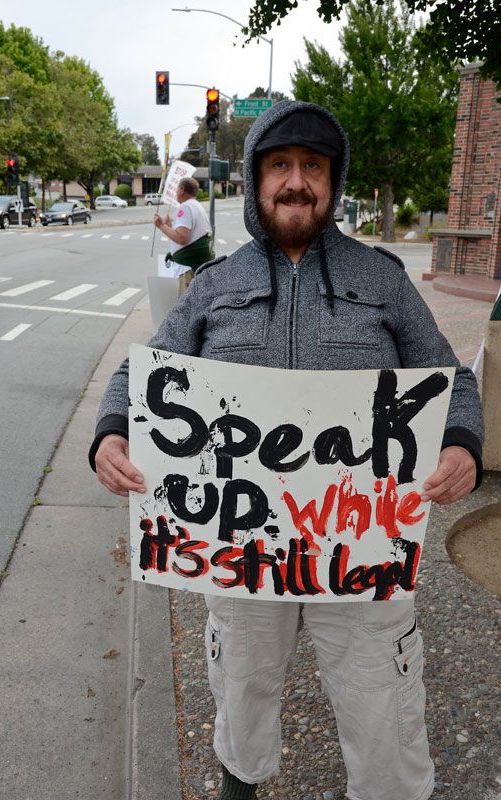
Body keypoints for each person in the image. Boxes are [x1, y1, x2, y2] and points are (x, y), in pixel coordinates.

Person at [89, 101, 484, 800]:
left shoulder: (386, 281)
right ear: (255, 178)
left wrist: (460, 444)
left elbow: (451, 381)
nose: (296, 181)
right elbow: (138, 374)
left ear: (333, 182)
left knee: (384, 711)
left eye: (313, 166)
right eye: (280, 165)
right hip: (241, 554)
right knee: (240, 697)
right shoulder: (213, 285)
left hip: (361, 549)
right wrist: (113, 430)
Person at [153, 176, 213, 296]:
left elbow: (181, 238)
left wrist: (160, 225)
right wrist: (170, 227)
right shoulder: (196, 206)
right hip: (195, 266)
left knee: (185, 309)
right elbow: (190, 235)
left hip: (187, 269)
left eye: (176, 190)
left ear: (182, 190)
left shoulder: (185, 207)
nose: (175, 193)